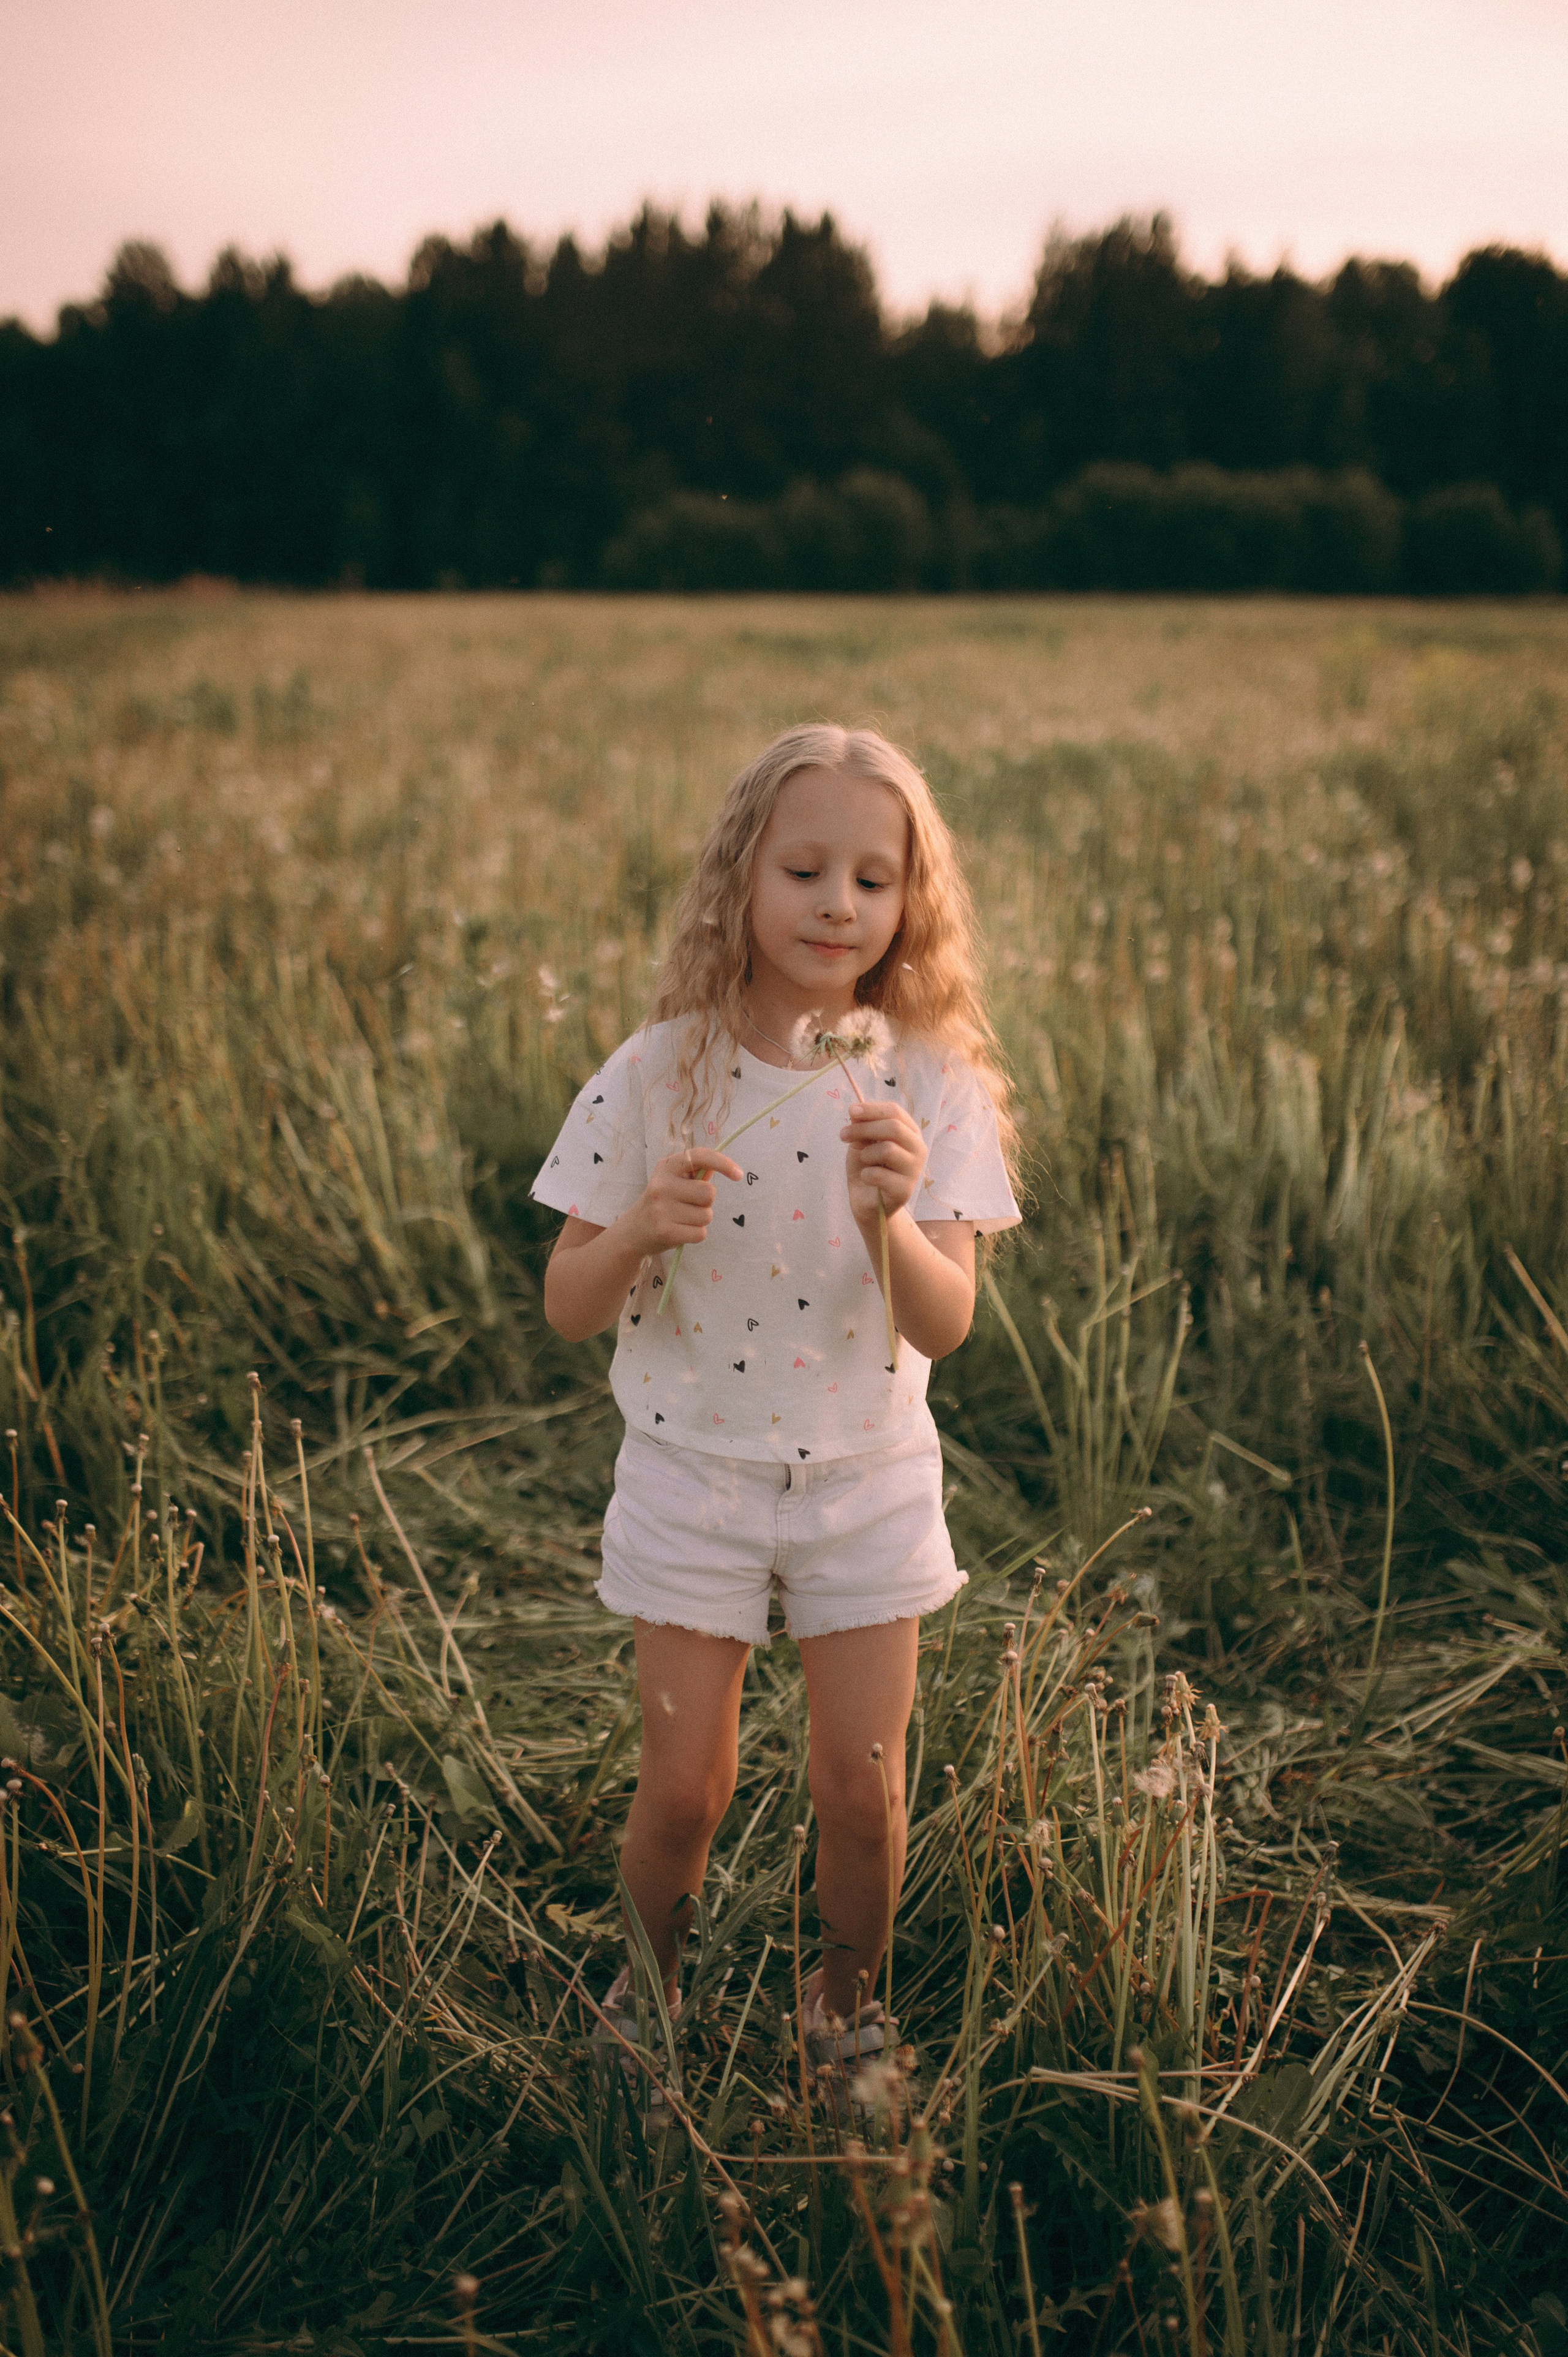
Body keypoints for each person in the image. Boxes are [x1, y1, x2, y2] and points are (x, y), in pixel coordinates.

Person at [532, 723, 1020, 2105]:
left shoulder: (925, 1080)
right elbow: (569, 1301)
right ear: (738, 878)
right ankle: (647, 1988)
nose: (836, 905)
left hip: (865, 1479)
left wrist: (891, 1219)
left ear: (907, 905)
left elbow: (946, 1322)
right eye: (804, 868)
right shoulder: (658, 1071)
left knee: (859, 1789)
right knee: (683, 1785)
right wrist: (635, 1228)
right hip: (693, 1475)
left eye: (874, 880)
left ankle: (845, 2011)